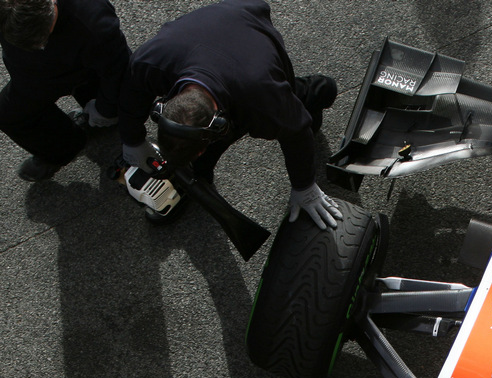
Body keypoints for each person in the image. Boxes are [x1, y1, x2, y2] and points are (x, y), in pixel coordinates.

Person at [115, 0, 342, 229]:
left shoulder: (260, 96)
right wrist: (132, 139)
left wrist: (305, 187)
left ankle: (322, 89)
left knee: (290, 105)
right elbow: (131, 89)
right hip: (212, 30)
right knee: (281, 108)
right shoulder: (150, 62)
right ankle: (198, 174)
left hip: (247, 23)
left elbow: (296, 130)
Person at [0, 0, 132, 182]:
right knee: (10, 116)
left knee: (113, 101)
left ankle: (104, 120)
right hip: (30, 77)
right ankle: (64, 148)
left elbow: (119, 68)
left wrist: (106, 108)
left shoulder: (95, 23)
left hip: (83, 67)